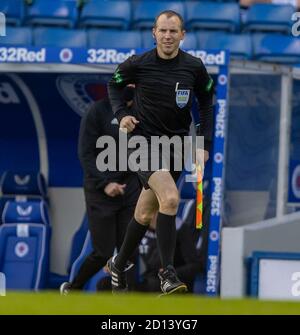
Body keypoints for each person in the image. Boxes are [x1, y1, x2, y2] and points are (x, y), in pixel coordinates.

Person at [106, 10, 214, 295]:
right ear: (154, 33)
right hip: (142, 143)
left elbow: (206, 102)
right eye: (162, 31)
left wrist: (202, 142)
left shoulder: (194, 67)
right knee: (170, 198)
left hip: (176, 147)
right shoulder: (138, 64)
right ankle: (167, 273)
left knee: (144, 213)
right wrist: (121, 114)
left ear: (182, 35)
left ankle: (118, 264)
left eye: (173, 31)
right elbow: (114, 85)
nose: (167, 36)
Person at [60, 86, 141, 294]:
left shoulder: (141, 111)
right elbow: (85, 154)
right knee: (102, 251)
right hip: (100, 191)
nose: (132, 90)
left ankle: (124, 296)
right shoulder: (98, 111)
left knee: (129, 250)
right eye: (128, 85)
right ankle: (73, 288)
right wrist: (105, 184)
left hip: (130, 187)